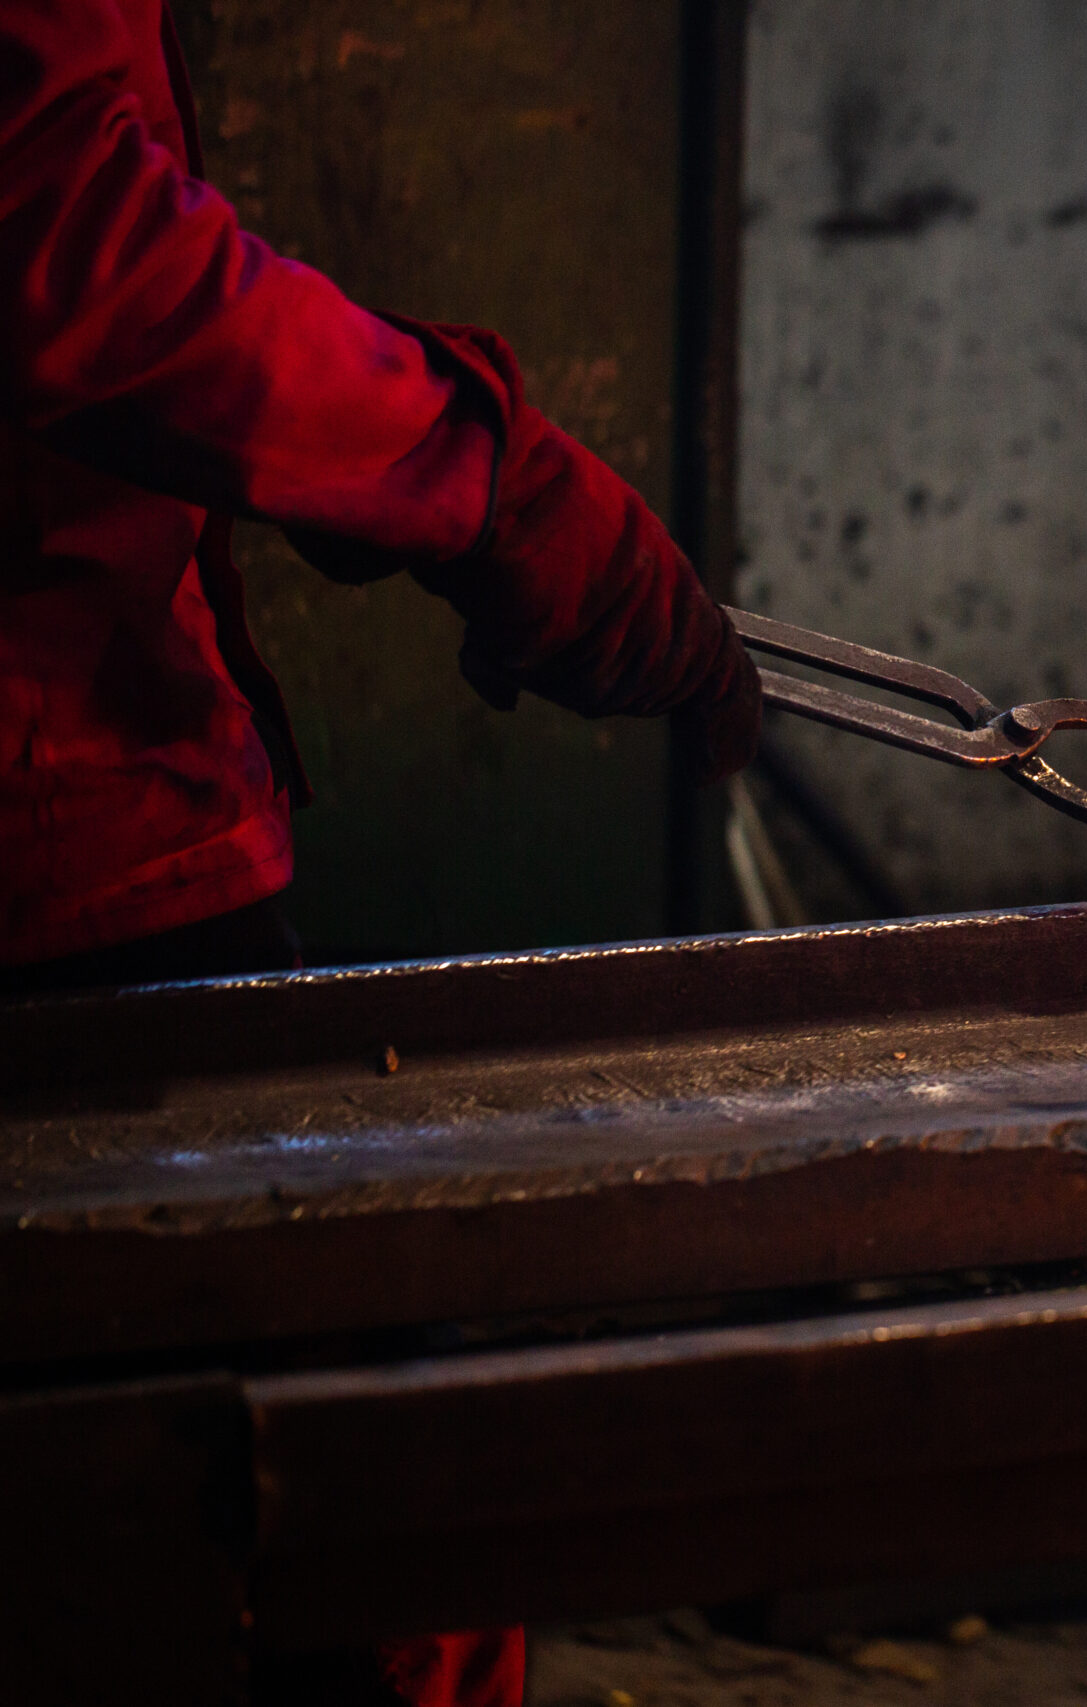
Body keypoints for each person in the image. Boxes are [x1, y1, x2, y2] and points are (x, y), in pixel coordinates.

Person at [0, 1, 763, 1700]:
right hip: (60, 841)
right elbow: (53, 223)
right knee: (355, 1522)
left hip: (100, 792)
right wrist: (465, 474)